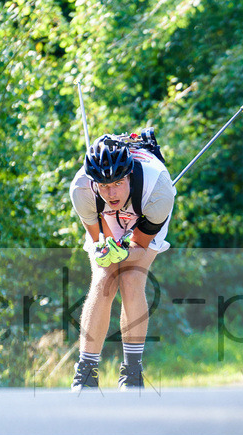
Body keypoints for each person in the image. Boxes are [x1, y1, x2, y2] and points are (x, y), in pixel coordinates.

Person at [68, 133, 175, 391]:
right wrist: (106, 249)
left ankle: (132, 372)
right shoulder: (81, 190)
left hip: (144, 209)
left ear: (128, 176)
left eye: (117, 183)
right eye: (103, 186)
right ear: (93, 183)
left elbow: (139, 246)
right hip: (106, 217)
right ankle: (86, 371)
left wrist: (124, 252)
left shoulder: (159, 191)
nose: (111, 192)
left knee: (131, 277)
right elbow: (99, 241)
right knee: (105, 278)